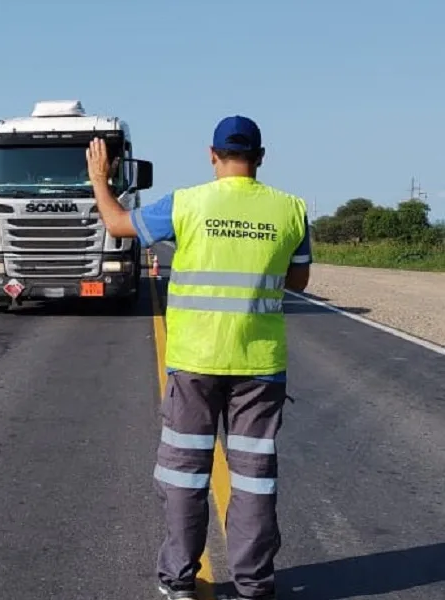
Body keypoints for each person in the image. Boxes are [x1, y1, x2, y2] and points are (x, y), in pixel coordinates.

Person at [85, 115, 311, 600]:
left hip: (194, 364)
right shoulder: (291, 210)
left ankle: (179, 580)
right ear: (261, 158)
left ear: (212, 155)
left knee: (184, 474)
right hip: (259, 367)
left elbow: (117, 225)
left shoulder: (187, 203)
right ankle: (254, 585)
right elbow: (298, 282)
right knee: (253, 479)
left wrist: (101, 182)